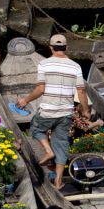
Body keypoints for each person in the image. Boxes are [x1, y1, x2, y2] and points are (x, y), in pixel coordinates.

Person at [16, 33, 90, 190]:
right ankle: (58, 181)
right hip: (66, 113)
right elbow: (81, 91)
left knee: (36, 128)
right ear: (66, 48)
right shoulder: (75, 66)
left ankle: (48, 151)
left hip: (48, 111)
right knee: (61, 144)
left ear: (50, 47)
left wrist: (25, 100)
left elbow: (41, 89)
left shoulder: (44, 64)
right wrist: (86, 110)